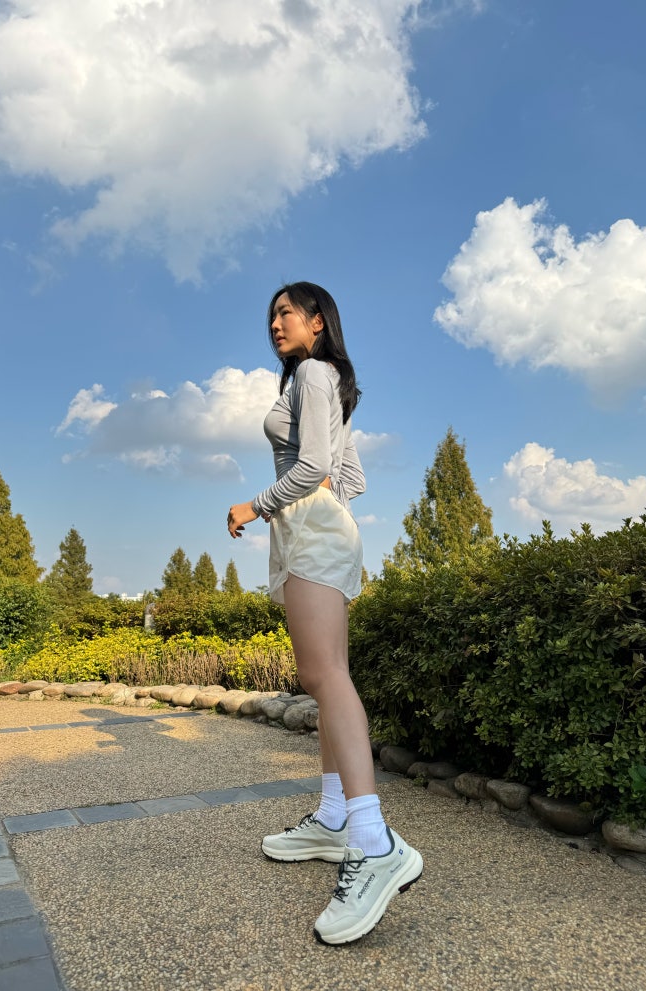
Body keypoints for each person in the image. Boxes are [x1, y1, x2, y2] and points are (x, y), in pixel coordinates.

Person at [227, 282, 422, 945]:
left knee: (326, 678)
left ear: (318, 321)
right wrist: (316, 496)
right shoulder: (323, 383)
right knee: (327, 676)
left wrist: (254, 505)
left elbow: (312, 465)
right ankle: (335, 817)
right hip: (314, 530)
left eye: (285, 312)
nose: (274, 323)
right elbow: (350, 477)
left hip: (309, 532)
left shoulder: (313, 373)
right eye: (270, 315)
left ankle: (372, 840)